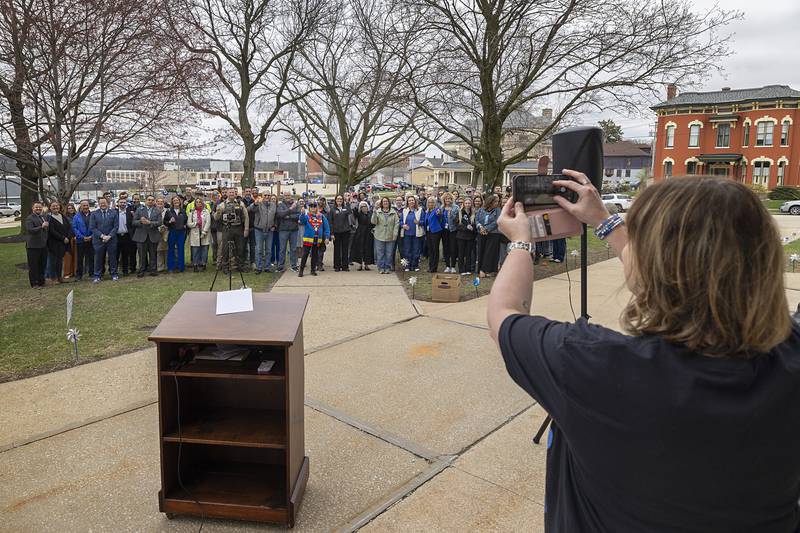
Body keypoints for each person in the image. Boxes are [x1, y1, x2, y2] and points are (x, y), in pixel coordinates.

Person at [489, 173, 800, 532]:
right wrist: (604, 220)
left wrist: (520, 243)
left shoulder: (595, 366)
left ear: (658, 266)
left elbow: (504, 314)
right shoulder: (790, 357)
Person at [213, 188, 250, 273]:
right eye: (230, 192)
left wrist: (246, 229)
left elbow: (246, 217)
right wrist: (218, 212)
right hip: (227, 228)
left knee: (240, 248)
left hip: (238, 228)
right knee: (225, 248)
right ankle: (225, 267)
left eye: (233, 192)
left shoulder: (240, 204)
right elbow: (216, 218)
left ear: (235, 193)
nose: (231, 194)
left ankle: (240, 266)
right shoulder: (222, 205)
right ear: (227, 194)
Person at [89, 197, 119, 282]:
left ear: (107, 203)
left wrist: (109, 236)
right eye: (101, 203)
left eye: (104, 203)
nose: (103, 204)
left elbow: (116, 227)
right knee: (98, 258)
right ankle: (97, 275)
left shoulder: (114, 213)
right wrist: (102, 236)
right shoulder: (94, 214)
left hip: (111, 239)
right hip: (99, 240)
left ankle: (114, 274)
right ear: (98, 204)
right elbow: (93, 228)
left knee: (112, 258)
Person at [133, 195, 162, 277]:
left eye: (152, 200)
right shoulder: (139, 210)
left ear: (154, 201)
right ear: (146, 201)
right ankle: (141, 271)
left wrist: (150, 223)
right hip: (141, 236)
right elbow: (134, 222)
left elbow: (159, 222)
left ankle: (153, 270)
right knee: (142, 255)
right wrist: (141, 221)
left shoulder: (157, 211)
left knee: (153, 254)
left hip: (153, 236)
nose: (150, 201)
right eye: (149, 200)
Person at [298, 201, 330, 277]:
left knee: (315, 255)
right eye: (311, 206)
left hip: (317, 239)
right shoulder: (306, 216)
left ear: (317, 207)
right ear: (309, 208)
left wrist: (327, 237)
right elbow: (301, 221)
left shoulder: (321, 216)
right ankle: (301, 270)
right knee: (305, 255)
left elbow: (326, 227)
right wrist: (302, 214)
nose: (313, 208)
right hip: (308, 239)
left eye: (314, 206)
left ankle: (313, 270)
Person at [248, 192, 277, 274]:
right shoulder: (259, 204)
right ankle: (259, 267)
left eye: (268, 195)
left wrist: (274, 225)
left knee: (268, 250)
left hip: (269, 230)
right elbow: (249, 209)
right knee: (259, 249)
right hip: (259, 230)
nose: (267, 197)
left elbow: (275, 217)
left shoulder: (273, 205)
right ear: (262, 196)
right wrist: (254, 204)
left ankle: (267, 267)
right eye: (265, 195)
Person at [371, 197, 399, 274]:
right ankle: (381, 267)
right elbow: (373, 222)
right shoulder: (378, 212)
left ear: (389, 203)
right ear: (381, 204)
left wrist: (395, 233)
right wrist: (374, 213)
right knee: (380, 253)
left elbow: (396, 224)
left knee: (389, 253)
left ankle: (387, 267)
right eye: (384, 201)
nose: (385, 203)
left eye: (387, 201)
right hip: (379, 235)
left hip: (390, 236)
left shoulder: (394, 212)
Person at [25, 201, 48, 288]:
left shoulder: (42, 217)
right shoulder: (30, 218)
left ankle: (41, 281)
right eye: (36, 207)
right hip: (33, 246)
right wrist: (41, 227)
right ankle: (34, 283)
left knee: (42, 265)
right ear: (33, 209)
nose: (38, 208)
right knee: (33, 265)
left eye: (40, 207)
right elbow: (30, 230)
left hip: (43, 245)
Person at [476, 194, 501, 277]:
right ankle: (480, 269)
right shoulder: (481, 210)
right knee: (481, 251)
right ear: (490, 202)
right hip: (481, 233)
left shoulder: (498, 210)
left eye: (497, 201)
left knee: (489, 252)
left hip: (493, 234)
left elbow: (497, 221)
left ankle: (487, 270)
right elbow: (477, 220)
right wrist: (480, 227)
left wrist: (486, 229)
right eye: (495, 202)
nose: (497, 203)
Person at [276, 192, 300, 272]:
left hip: (294, 230)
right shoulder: (280, 205)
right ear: (283, 196)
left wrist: (288, 216)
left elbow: (298, 215)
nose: (287, 197)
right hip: (283, 230)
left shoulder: (295, 204)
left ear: (291, 196)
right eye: (286, 195)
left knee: (293, 249)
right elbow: (280, 214)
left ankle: (293, 265)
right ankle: (281, 266)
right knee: (282, 249)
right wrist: (290, 210)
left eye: (288, 195)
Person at [164, 196, 188, 273]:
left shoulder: (183, 211)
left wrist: (184, 225)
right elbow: (165, 222)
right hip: (172, 231)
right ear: (172, 202)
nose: (176, 201)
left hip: (181, 232)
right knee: (171, 249)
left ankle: (181, 267)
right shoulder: (169, 211)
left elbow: (186, 220)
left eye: (177, 200)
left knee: (181, 249)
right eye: (174, 200)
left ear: (179, 201)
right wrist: (170, 222)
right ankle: (171, 267)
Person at [187, 195, 211, 272]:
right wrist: (195, 223)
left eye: (200, 202)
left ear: (202, 203)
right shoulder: (192, 212)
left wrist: (204, 232)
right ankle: (195, 265)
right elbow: (189, 224)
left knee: (204, 248)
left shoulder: (206, 211)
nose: (198, 203)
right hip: (195, 232)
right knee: (195, 249)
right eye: (197, 202)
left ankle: (203, 264)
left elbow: (208, 222)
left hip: (204, 232)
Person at [400, 196, 424, 272]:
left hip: (416, 234)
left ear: (415, 201)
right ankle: (407, 266)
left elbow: (424, 221)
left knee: (416, 250)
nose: (411, 202)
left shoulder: (419, 210)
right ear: (407, 202)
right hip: (407, 234)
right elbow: (400, 221)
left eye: (412, 200)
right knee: (407, 250)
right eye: (409, 200)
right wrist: (403, 225)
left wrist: (418, 222)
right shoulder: (404, 211)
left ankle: (415, 265)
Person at [71, 200, 94, 281]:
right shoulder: (76, 216)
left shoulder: (93, 215)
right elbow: (74, 228)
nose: (85, 207)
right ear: (80, 206)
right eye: (83, 205)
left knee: (92, 258)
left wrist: (91, 236)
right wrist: (82, 237)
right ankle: (79, 275)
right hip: (81, 240)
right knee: (80, 259)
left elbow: (96, 226)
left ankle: (92, 273)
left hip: (91, 240)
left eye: (87, 205)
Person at [329, 195, 353, 271]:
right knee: (337, 249)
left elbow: (350, 212)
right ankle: (337, 266)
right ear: (335, 200)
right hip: (336, 232)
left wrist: (347, 203)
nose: (339, 200)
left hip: (345, 231)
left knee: (345, 249)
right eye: (338, 199)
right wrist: (331, 233)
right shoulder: (332, 209)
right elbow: (331, 222)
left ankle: (345, 266)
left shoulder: (346, 208)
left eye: (341, 199)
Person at [454, 197, 477, 275]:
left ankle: (468, 269)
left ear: (471, 204)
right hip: (461, 237)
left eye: (469, 203)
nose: (467, 205)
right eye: (466, 203)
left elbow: (475, 225)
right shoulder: (460, 212)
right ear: (463, 204)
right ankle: (461, 269)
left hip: (470, 237)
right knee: (461, 253)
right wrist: (465, 227)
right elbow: (457, 224)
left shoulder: (473, 213)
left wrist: (472, 228)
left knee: (468, 253)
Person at [115, 197, 136, 276]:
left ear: (126, 204)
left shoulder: (130, 213)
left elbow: (133, 224)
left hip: (127, 236)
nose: (122, 204)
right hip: (117, 236)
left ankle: (125, 270)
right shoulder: (114, 212)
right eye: (121, 202)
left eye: (124, 202)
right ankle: (114, 270)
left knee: (126, 254)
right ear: (118, 203)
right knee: (116, 254)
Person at [423, 197, 445, 273]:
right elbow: (425, 222)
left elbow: (439, 215)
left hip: (435, 232)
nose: (430, 204)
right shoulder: (427, 211)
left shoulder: (436, 210)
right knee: (430, 250)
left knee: (435, 250)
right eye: (429, 202)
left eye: (432, 202)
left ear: (435, 203)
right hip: (428, 232)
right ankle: (430, 266)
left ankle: (434, 267)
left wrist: (439, 213)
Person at [351, 200, 373, 270]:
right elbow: (354, 211)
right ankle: (360, 264)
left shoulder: (370, 213)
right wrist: (355, 204)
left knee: (368, 248)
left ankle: (366, 264)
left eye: (365, 206)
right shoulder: (359, 214)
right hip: (360, 233)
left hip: (368, 233)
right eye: (362, 206)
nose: (364, 208)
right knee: (359, 248)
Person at [62, 202, 78, 279]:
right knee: (67, 256)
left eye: (72, 208)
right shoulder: (64, 218)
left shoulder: (77, 216)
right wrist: (68, 237)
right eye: (69, 208)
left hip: (77, 238)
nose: (70, 209)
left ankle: (75, 272)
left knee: (76, 256)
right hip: (68, 238)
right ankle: (67, 273)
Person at [155, 197, 169, 272]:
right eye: (158, 202)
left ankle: (167, 265)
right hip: (156, 232)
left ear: (164, 203)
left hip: (166, 232)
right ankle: (160, 266)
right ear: (156, 203)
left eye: (161, 202)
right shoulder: (154, 211)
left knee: (166, 249)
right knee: (158, 250)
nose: (160, 204)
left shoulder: (167, 211)